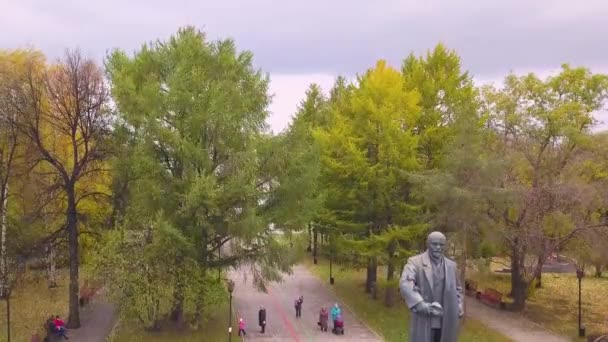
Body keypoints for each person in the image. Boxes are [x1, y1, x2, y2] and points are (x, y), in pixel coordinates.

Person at [399, 231, 464, 342]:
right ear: (428, 244)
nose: (438, 247)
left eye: (441, 244)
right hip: (424, 317)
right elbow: (405, 283)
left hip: (446, 320)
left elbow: (458, 289)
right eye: (434, 244)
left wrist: (459, 305)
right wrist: (419, 304)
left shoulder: (451, 266)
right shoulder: (415, 262)